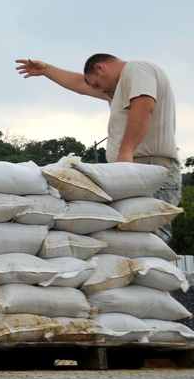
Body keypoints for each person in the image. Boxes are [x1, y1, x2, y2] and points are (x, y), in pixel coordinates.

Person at [15, 54, 180, 241]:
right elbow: (81, 85)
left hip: (150, 168)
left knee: (151, 234)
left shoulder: (137, 69)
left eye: (97, 84)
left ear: (100, 68)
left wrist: (125, 153)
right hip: (137, 168)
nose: (99, 90)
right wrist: (46, 70)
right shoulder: (120, 87)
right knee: (131, 235)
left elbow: (144, 107)